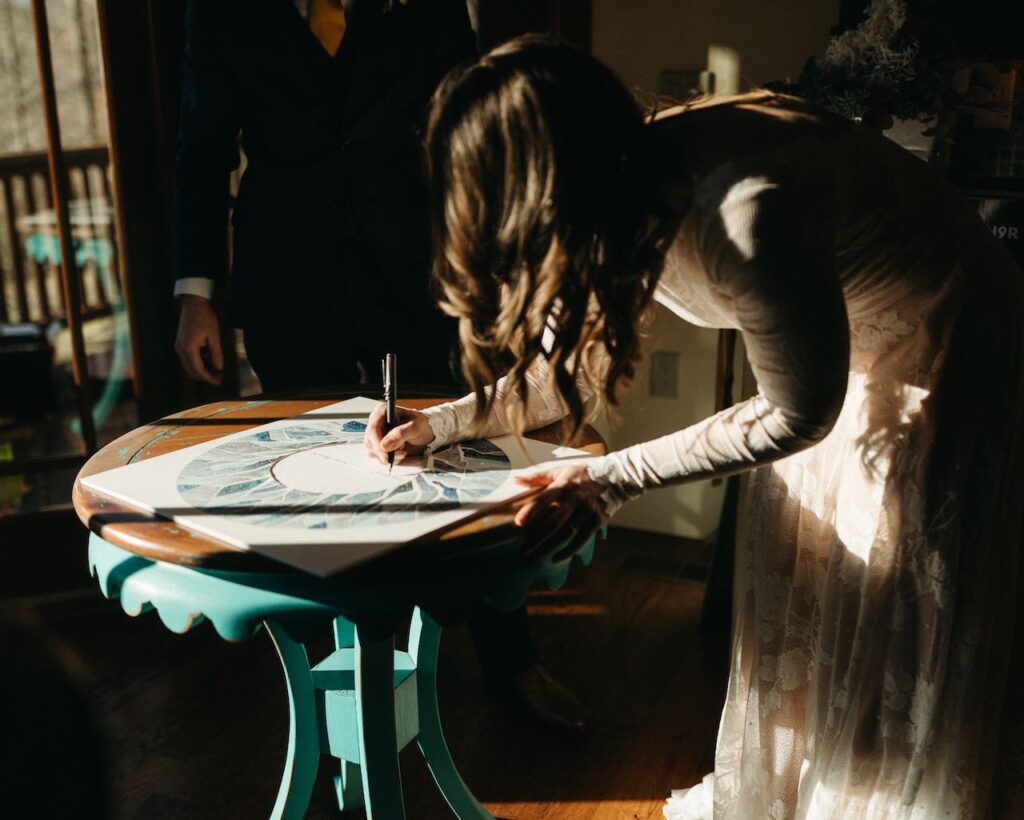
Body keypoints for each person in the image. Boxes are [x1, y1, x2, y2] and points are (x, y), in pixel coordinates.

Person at [365, 37, 1024, 819]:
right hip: (840, 359)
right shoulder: (624, 178)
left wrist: (607, 481)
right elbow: (561, 367)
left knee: (898, 630)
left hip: (947, 358)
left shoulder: (744, 210)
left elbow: (796, 411)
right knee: (816, 613)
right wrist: (438, 423)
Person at [170, 1, 585, 734]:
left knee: (464, 456)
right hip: (288, 280)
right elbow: (202, 150)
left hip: (418, 276)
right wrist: (195, 297)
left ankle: (511, 659)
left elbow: (468, 135)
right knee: (305, 485)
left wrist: (487, 274)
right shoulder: (218, 11)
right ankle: (335, 699)